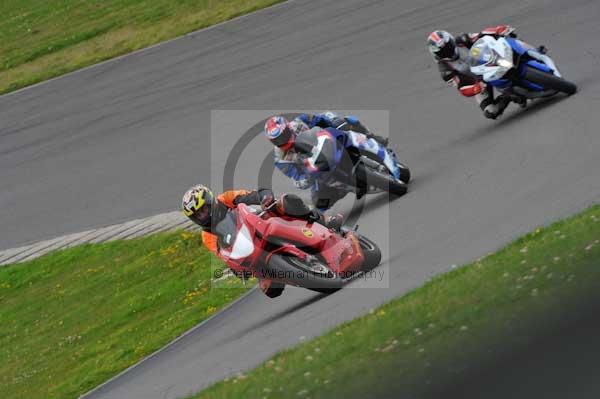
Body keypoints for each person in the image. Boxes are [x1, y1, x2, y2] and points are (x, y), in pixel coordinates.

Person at [181, 185, 342, 296]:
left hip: (260, 221)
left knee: (286, 202)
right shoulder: (206, 236)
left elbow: (251, 195)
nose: (202, 215)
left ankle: (324, 221)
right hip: (250, 250)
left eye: (203, 209)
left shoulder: (226, 198)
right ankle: (300, 272)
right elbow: (223, 253)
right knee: (270, 289)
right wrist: (236, 268)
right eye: (197, 215)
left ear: (211, 201)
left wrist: (264, 197)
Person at [264, 112, 387, 210]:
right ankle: (341, 189)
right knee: (320, 204)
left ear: (288, 127)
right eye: (277, 140)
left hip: (329, 144)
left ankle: (372, 138)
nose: (282, 141)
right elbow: (295, 175)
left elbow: (323, 119)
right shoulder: (280, 158)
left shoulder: (301, 121)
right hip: (318, 169)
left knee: (347, 122)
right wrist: (304, 180)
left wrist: (336, 123)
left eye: (283, 135)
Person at [427, 25, 519, 119]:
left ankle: (530, 52)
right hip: (481, 80)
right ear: (436, 54)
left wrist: (498, 30)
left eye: (448, 46)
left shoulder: (462, 40)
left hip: (492, 59)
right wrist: (476, 88)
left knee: (509, 42)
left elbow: (482, 35)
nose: (447, 51)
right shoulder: (445, 69)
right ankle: (509, 96)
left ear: (451, 40)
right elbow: (462, 88)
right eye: (442, 51)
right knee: (491, 111)